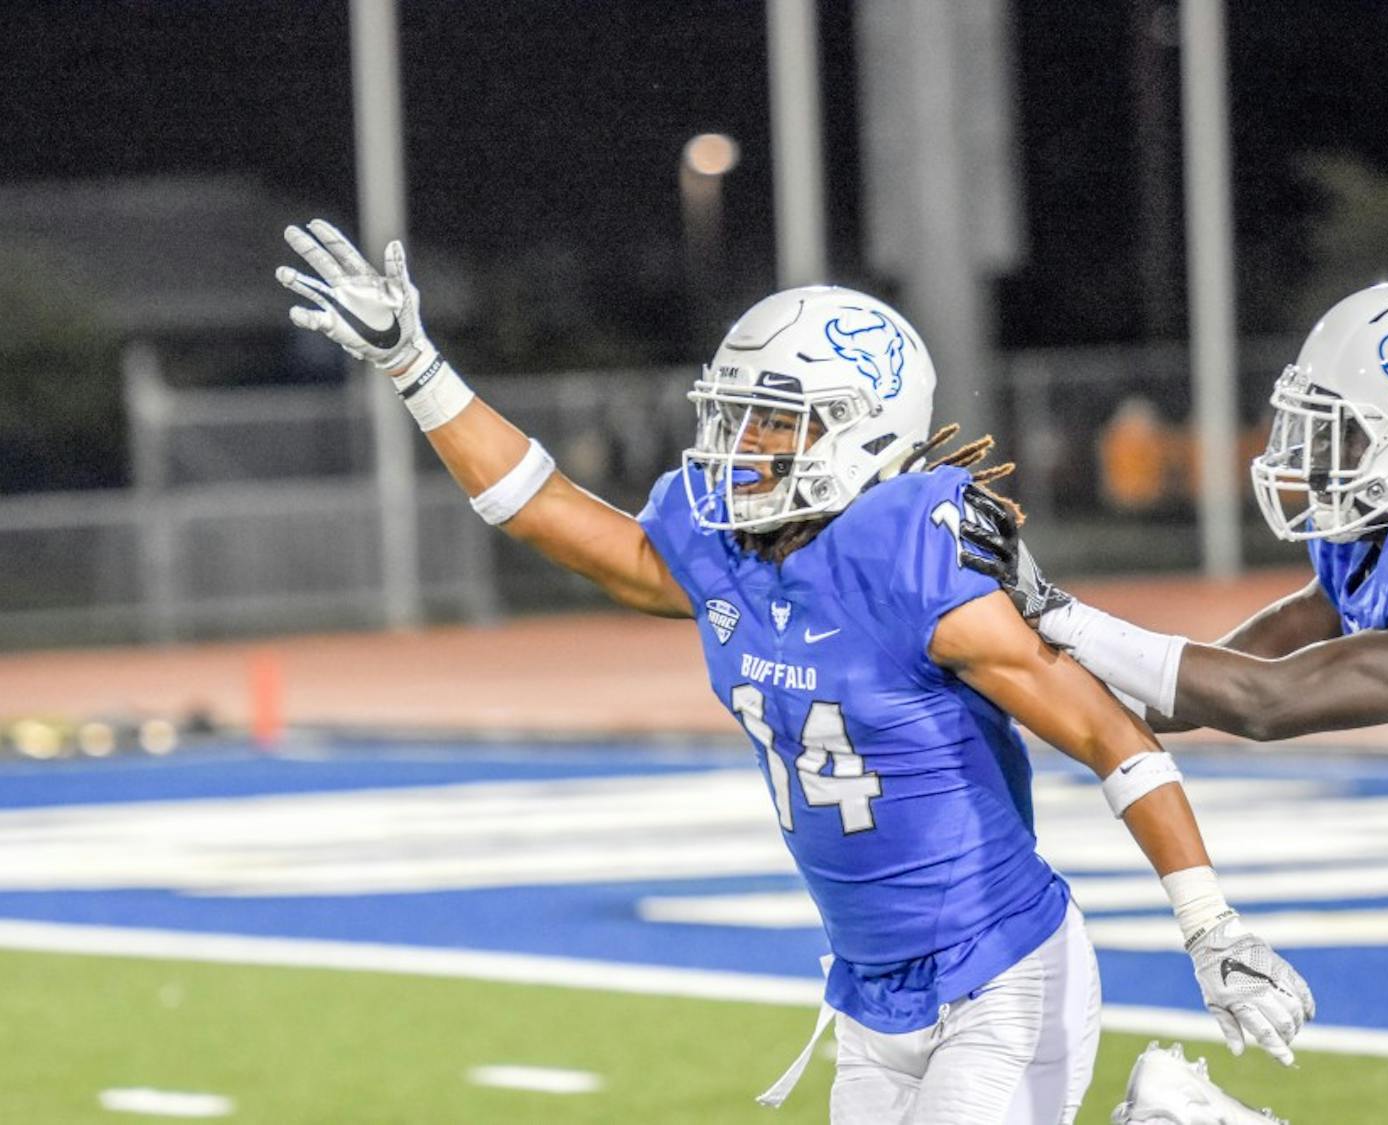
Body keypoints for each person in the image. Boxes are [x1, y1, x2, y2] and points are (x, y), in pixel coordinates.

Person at [276, 219, 1313, 1124]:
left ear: (862, 428)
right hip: (870, 995)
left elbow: (1110, 737)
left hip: (999, 974)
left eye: (775, 419)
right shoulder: (725, 547)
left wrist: (1208, 927)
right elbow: (545, 513)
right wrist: (417, 366)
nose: (740, 443)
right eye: (735, 413)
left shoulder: (915, 556)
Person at [959, 278, 1388, 1125]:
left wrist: (1052, 607)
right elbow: (1206, 686)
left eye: (1348, 432)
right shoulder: (1387, 545)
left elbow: (1267, 701)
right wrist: (1009, 647)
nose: (1318, 455)